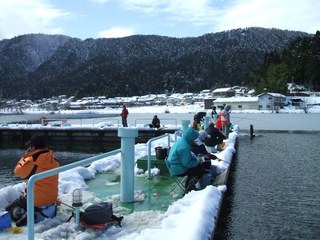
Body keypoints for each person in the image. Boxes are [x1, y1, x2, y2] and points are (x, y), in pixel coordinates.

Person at [5, 134, 60, 227]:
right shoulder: (53, 159)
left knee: (8, 209)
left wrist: (26, 156)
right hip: (51, 198)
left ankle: (28, 215)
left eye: (30, 146)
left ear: (33, 147)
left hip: (36, 200)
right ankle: (29, 213)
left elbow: (17, 171)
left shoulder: (33, 161)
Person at [166, 127, 206, 193]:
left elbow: (186, 158)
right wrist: (198, 162)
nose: (195, 140)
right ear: (191, 138)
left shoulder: (181, 141)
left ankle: (188, 185)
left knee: (195, 168)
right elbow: (187, 164)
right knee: (200, 169)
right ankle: (190, 188)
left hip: (174, 166)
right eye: (195, 138)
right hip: (178, 170)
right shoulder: (184, 147)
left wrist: (195, 159)